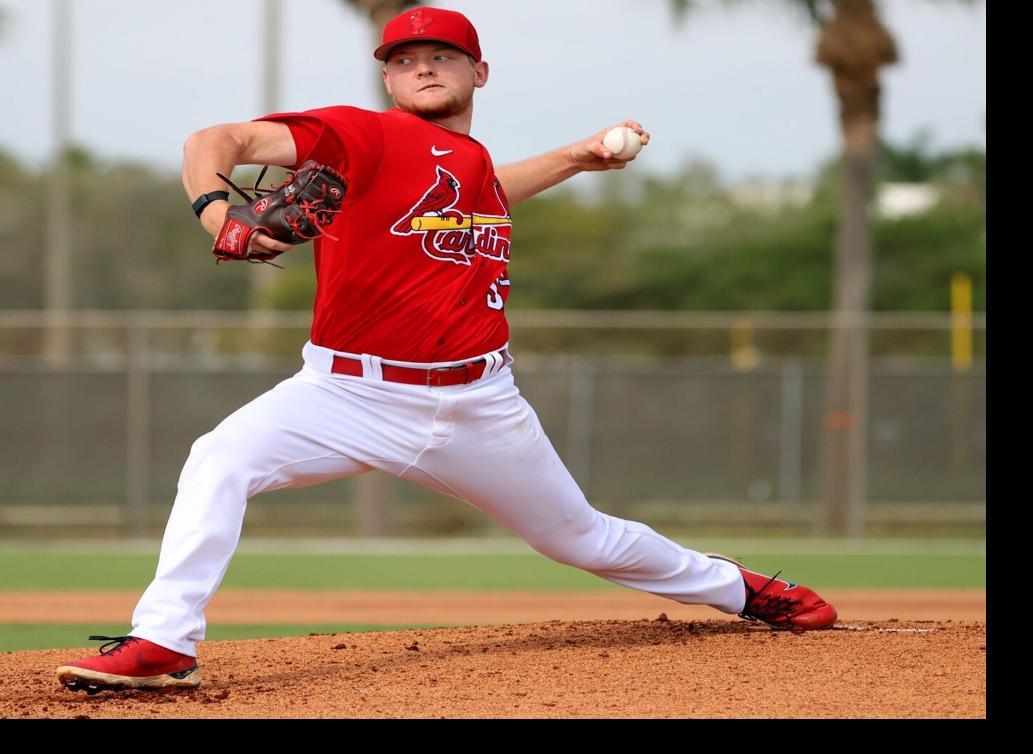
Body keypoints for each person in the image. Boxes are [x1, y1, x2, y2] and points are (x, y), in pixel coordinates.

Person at [55, 7, 837, 694]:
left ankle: (745, 590)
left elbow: (489, 186)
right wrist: (215, 212)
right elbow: (212, 138)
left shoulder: (468, 166)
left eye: (440, 55)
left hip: (479, 404)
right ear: (387, 81)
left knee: (581, 538)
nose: (420, 65)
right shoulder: (362, 135)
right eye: (402, 59)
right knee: (218, 459)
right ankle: (164, 639)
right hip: (344, 394)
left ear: (479, 71)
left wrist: (574, 158)